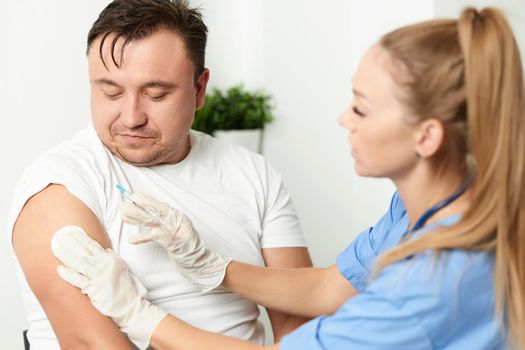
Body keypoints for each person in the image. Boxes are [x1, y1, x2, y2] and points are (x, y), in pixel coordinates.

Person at [51, 6, 525, 350]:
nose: (344, 118)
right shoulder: (423, 209)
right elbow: (327, 288)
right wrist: (213, 268)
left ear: (427, 136)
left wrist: (139, 315)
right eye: (110, 90)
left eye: (361, 107)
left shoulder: (432, 282)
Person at [7, 0, 312, 349]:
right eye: (111, 91)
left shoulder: (253, 174)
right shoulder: (61, 184)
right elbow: (93, 344)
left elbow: (299, 319)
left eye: (156, 94)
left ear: (199, 89)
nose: (132, 116)